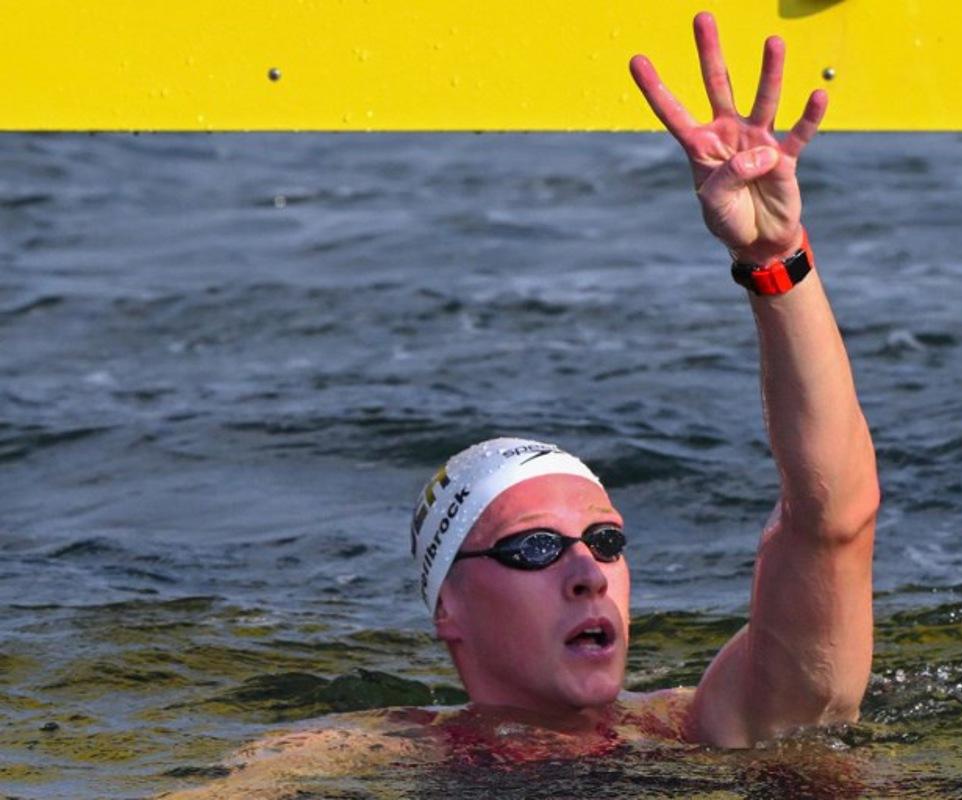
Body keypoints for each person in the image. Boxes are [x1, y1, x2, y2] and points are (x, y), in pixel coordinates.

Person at [159, 11, 877, 798]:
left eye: (605, 542)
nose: (586, 573)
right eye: (533, 548)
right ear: (449, 610)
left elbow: (830, 521)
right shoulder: (359, 756)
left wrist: (774, 258)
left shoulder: (709, 725)